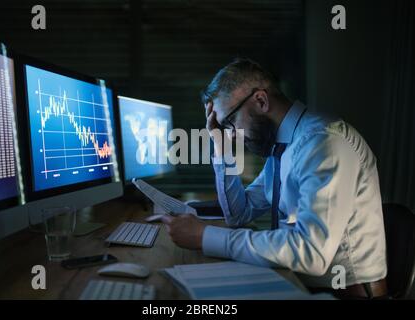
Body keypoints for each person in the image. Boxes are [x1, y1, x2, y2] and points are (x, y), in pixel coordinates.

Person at [161, 58, 387, 299]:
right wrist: (221, 147)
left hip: (342, 293)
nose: (231, 136)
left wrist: (206, 236)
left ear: (261, 100)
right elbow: (239, 214)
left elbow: (312, 252)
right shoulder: (281, 147)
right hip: (298, 280)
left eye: (229, 123)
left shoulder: (323, 143)